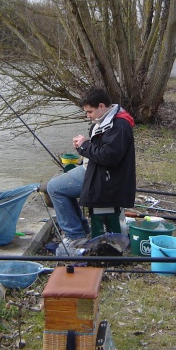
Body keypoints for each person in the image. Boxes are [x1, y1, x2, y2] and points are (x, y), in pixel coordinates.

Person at [46, 86, 136, 255]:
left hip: (107, 180)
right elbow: (104, 149)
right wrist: (83, 146)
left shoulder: (119, 126)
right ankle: (80, 229)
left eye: (89, 112)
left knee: (54, 188)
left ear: (101, 106)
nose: (88, 116)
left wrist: (85, 145)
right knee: (58, 186)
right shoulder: (108, 120)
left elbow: (109, 157)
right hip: (97, 171)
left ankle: (75, 235)